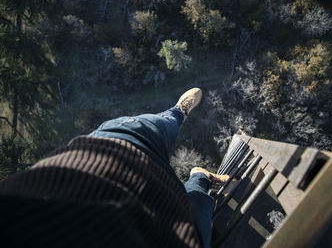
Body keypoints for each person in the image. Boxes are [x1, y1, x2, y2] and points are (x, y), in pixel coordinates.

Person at [0, 88, 229, 248]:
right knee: (198, 223)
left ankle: (179, 111)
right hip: (164, 214)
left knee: (151, 125)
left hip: (100, 153)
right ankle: (200, 177)